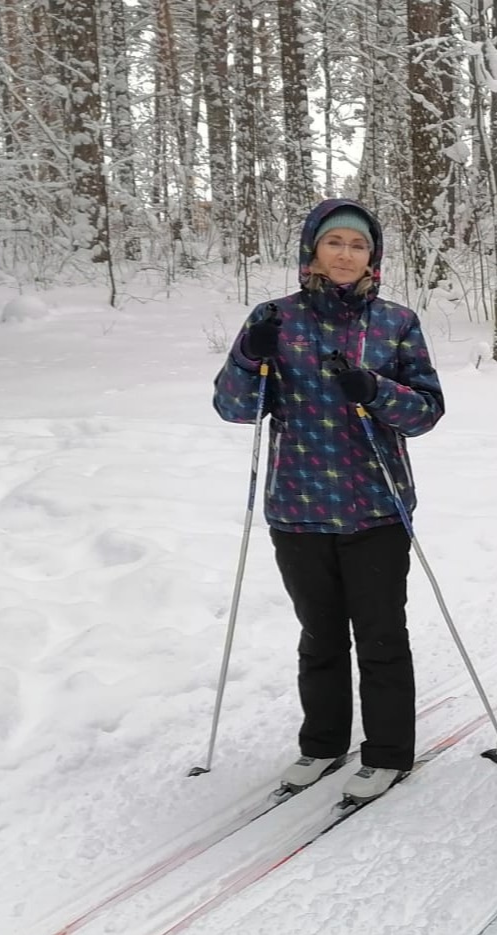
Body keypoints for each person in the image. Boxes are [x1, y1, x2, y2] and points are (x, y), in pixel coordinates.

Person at [213, 198, 445, 803]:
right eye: (335, 242)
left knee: (381, 635)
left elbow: (426, 412)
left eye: (358, 245)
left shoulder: (396, 322)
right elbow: (234, 407)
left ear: (373, 257)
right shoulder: (275, 318)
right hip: (298, 508)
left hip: (377, 507)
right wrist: (250, 355)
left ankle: (388, 753)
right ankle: (322, 745)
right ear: (312, 250)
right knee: (319, 636)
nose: (346, 254)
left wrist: (375, 389)